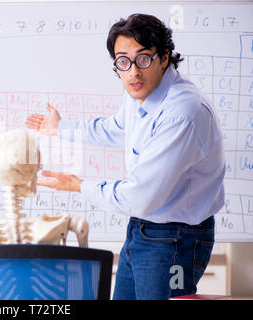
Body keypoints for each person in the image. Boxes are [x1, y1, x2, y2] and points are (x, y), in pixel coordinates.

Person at [25, 13, 225, 300]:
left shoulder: (182, 114)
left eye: (143, 58)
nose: (133, 72)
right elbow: (117, 129)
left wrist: (78, 184)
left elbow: (141, 196)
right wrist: (60, 127)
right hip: (142, 228)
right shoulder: (140, 94)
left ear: (164, 57)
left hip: (175, 239)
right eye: (123, 61)